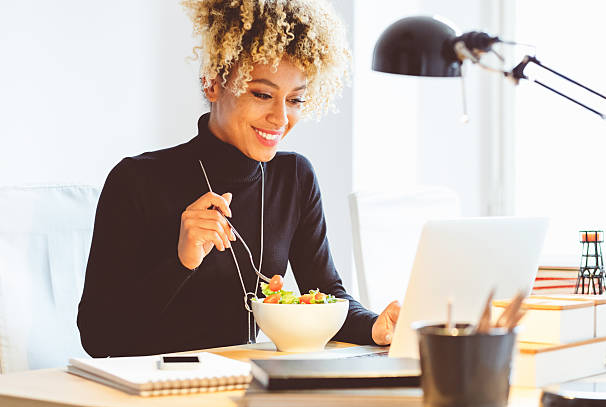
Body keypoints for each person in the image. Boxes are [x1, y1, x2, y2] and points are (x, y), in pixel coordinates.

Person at [77, 0, 400, 357]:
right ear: (213, 83)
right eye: (262, 94)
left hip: (245, 384)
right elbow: (98, 337)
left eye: (295, 100)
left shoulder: (294, 177)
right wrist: (181, 262)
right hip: (156, 389)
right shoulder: (136, 180)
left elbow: (327, 294)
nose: (280, 118)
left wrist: (374, 326)